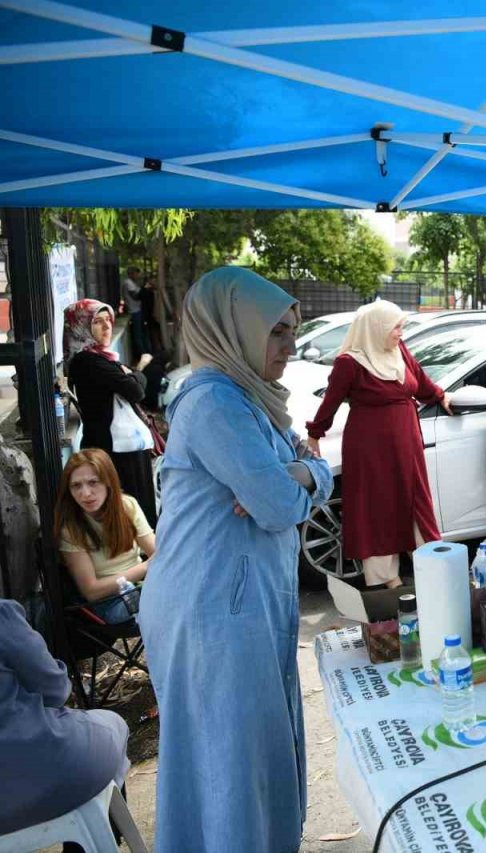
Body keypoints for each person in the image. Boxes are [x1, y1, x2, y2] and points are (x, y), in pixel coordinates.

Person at [138, 266, 333, 853]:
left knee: (248, 748)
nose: (289, 345)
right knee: (226, 755)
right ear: (234, 331)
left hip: (239, 598)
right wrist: (295, 478)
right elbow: (276, 506)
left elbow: (305, 472)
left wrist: (302, 472)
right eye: (276, 331)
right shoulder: (215, 403)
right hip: (212, 607)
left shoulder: (252, 399)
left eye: (291, 330)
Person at [307, 300, 450, 589]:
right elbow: (330, 403)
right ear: (376, 328)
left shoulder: (399, 351)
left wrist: (439, 395)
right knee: (379, 507)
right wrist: (315, 434)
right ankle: (387, 578)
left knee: (414, 500)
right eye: (396, 327)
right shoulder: (349, 363)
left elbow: (420, 382)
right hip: (370, 449)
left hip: (407, 445)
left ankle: (431, 565)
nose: (400, 332)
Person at [0, 599, 131, 838]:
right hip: (41, 771)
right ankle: (98, 839)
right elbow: (55, 689)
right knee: (114, 724)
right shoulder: (3, 615)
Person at [63, 299, 157, 526]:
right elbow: (135, 390)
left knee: (138, 513)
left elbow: (130, 382)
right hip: (114, 450)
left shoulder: (101, 358)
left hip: (122, 446)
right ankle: (141, 559)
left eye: (108, 321)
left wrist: (131, 373)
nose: (106, 328)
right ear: (81, 326)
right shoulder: (88, 361)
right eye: (97, 322)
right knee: (130, 516)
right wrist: (135, 373)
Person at [55, 448, 155, 625]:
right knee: (167, 599)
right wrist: (147, 567)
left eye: (93, 482)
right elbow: (91, 591)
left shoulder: (127, 506)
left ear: (108, 482)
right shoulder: (70, 528)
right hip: (108, 603)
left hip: (143, 589)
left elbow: (159, 552)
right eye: (76, 486)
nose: (85, 493)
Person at [121, 265, 146, 357]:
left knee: (140, 333)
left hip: (136, 310)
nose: (138, 276)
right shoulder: (128, 283)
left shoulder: (132, 282)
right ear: (132, 274)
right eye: (136, 274)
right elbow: (135, 296)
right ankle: (142, 354)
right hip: (134, 311)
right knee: (137, 335)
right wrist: (144, 289)